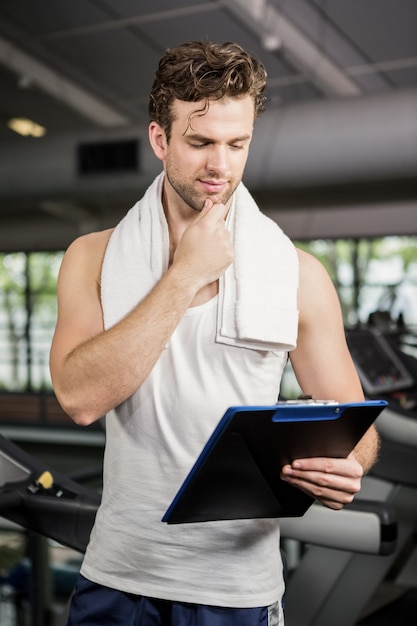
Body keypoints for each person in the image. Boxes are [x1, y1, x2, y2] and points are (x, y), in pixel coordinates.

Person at [49, 41, 379, 626]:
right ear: (160, 140)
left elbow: (357, 428)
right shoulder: (91, 257)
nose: (219, 167)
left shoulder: (298, 275)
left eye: (237, 144)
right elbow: (79, 398)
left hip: (237, 587)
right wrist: (185, 275)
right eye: (200, 143)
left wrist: (346, 463)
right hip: (119, 576)